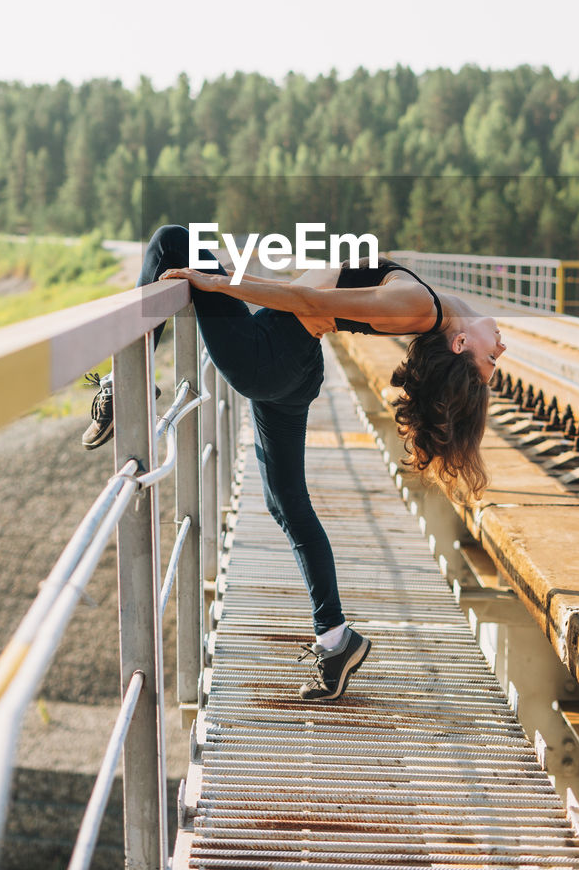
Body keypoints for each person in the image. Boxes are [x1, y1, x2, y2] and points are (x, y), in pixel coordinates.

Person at [83, 224, 506, 701]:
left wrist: (223, 284)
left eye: (491, 361)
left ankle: (125, 386)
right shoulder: (434, 308)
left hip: (271, 354)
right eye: (497, 360)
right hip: (288, 361)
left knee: (170, 242)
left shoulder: (419, 307)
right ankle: (336, 640)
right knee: (286, 502)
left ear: (461, 345)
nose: (501, 351)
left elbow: (308, 302)